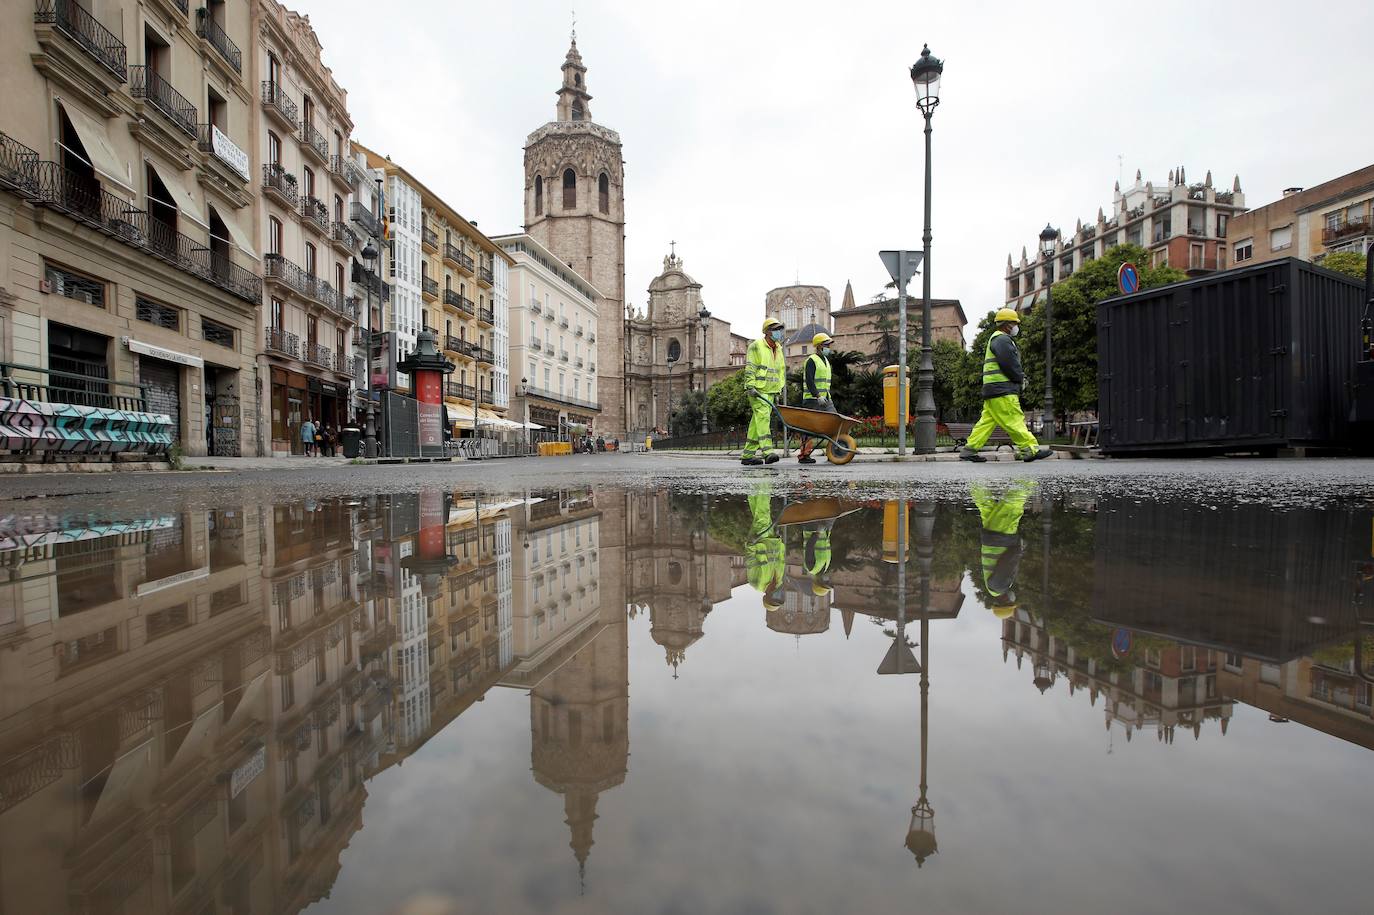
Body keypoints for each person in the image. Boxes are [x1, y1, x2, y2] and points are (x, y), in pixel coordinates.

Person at [961, 309, 1053, 463]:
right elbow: (1009, 364)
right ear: (1007, 325)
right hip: (1003, 390)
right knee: (1014, 419)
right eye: (1014, 323)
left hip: (992, 389)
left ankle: (969, 450)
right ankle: (1030, 449)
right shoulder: (1003, 340)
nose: (1017, 326)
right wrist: (1019, 378)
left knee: (986, 422)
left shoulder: (995, 339)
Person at [971, 482, 1031, 618]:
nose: (1013, 599)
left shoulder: (1000, 587)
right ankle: (974, 480)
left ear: (1005, 601)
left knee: (1012, 508)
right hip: (990, 539)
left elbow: (1007, 563)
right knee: (987, 507)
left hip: (1001, 539)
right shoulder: (991, 587)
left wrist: (1019, 549)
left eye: (1011, 602)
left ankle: (1026, 478)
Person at [742, 317, 786, 466]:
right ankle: (767, 452)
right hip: (758, 390)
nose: (779, 332)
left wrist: (779, 390)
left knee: (757, 421)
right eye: (775, 329)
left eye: (780, 329)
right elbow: (751, 367)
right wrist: (750, 386)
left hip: (771, 391)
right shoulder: (756, 346)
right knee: (763, 418)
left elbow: (780, 371)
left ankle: (748, 455)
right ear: (767, 332)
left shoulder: (778, 348)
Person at [746, 484, 786, 611]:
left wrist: (751, 545)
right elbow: (780, 559)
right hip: (773, 539)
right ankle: (752, 483)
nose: (778, 595)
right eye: (779, 598)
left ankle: (764, 481)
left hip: (759, 540)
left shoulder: (756, 584)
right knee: (757, 512)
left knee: (762, 515)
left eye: (775, 598)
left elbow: (751, 561)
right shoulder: (779, 581)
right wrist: (780, 540)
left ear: (767, 597)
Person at [798, 332, 836, 464]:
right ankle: (804, 455)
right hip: (812, 400)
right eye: (826, 345)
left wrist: (824, 396)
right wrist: (817, 395)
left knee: (835, 422)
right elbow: (809, 381)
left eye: (829, 345)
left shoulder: (825, 361)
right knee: (808, 429)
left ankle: (834, 451)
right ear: (819, 346)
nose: (828, 348)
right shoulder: (811, 360)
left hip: (825, 399)